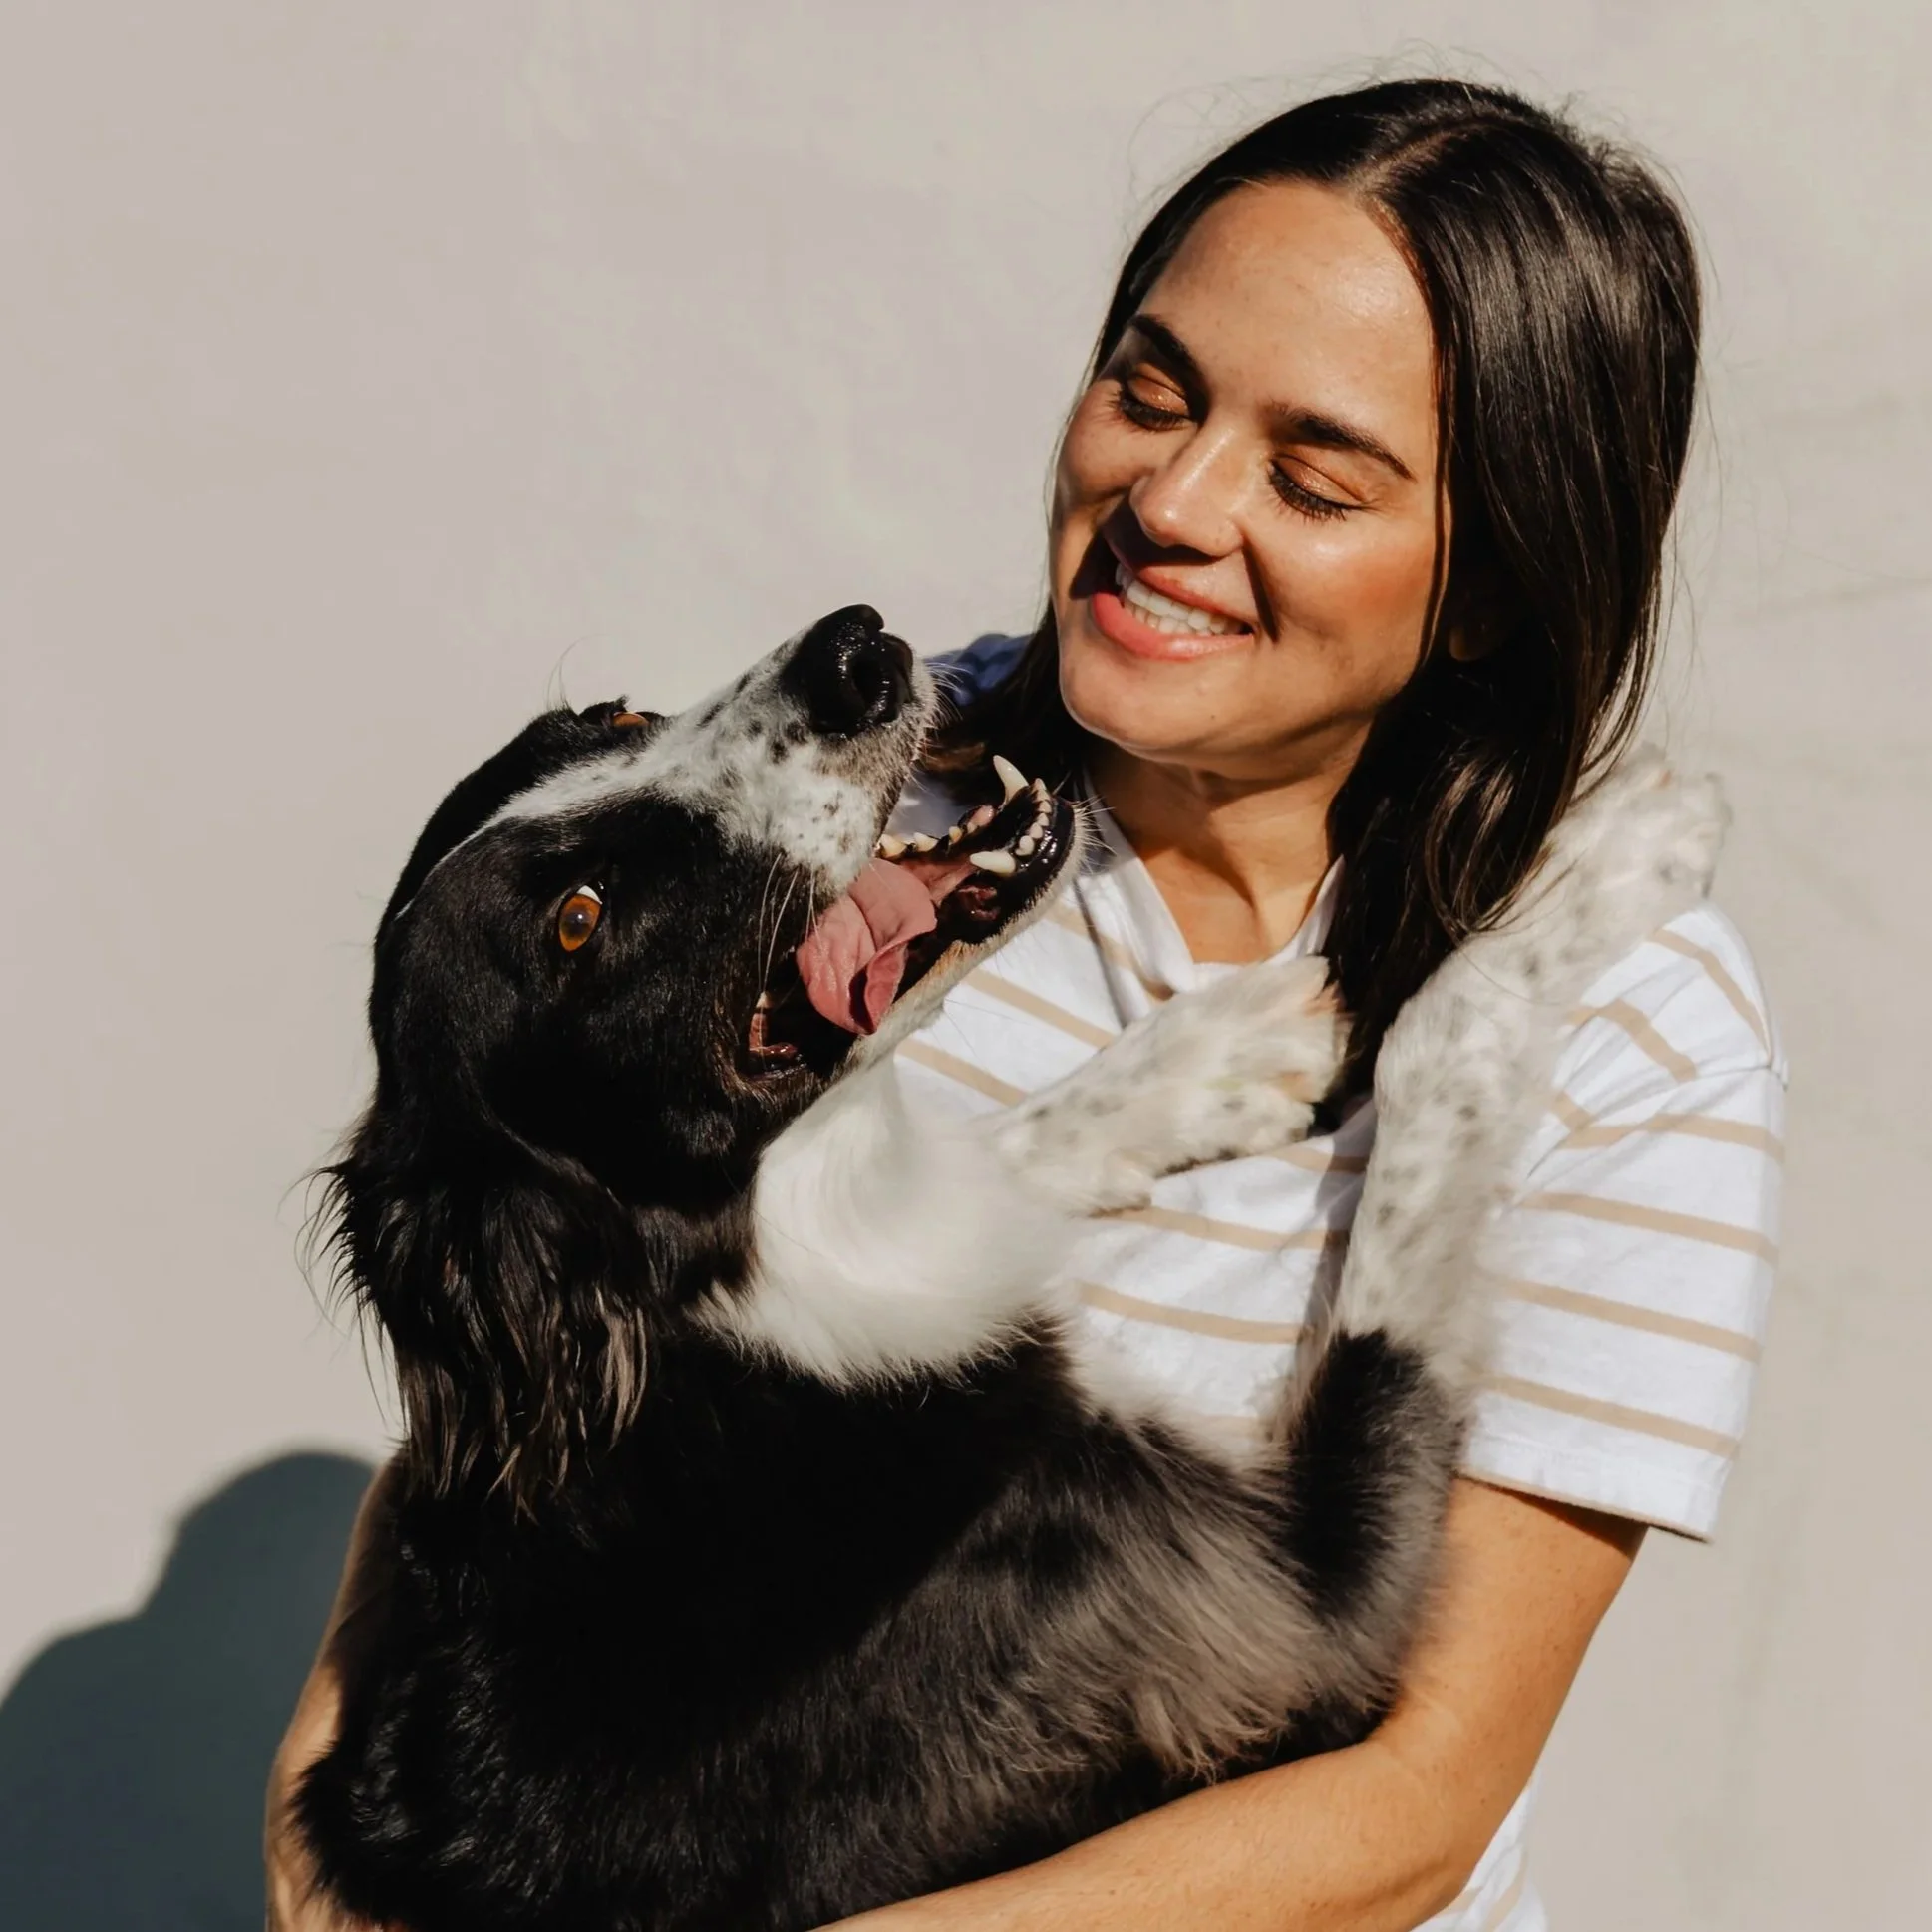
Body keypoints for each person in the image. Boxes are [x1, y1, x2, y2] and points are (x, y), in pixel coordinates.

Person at [267, 78, 1784, 1932]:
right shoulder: (838, 821)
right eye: (1149, 388)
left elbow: (1414, 1804)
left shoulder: (1628, 1022)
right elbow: (517, 1420)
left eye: (1314, 477)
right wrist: (325, 1849)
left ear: (1490, 589)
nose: (1173, 501)